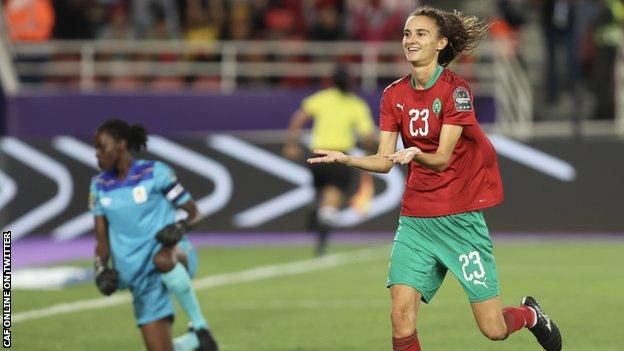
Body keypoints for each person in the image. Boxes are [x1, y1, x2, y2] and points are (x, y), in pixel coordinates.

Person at [307, 7, 563, 351]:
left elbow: (441, 158)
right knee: (400, 316)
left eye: (421, 34)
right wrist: (347, 158)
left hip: (460, 221)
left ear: (441, 43)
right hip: (415, 221)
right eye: (407, 34)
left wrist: (415, 153)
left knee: (493, 328)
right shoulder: (393, 95)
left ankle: (531, 316)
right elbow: (385, 162)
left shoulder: (456, 91)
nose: (411, 41)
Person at [89, 119, 218, 351]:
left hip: (175, 255)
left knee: (162, 258)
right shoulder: (98, 186)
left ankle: (200, 326)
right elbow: (102, 240)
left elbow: (195, 214)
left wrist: (179, 229)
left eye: (102, 146)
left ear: (121, 144)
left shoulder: (155, 173)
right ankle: (193, 343)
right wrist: (100, 268)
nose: (97, 154)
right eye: (95, 148)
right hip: (138, 278)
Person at [283, 65, 376, 256]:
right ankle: (321, 244)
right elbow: (368, 135)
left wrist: (291, 142)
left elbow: (299, 117)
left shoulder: (322, 98)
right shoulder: (355, 104)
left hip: (317, 155)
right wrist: (369, 151)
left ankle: (315, 209)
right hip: (338, 157)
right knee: (332, 199)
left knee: (321, 191)